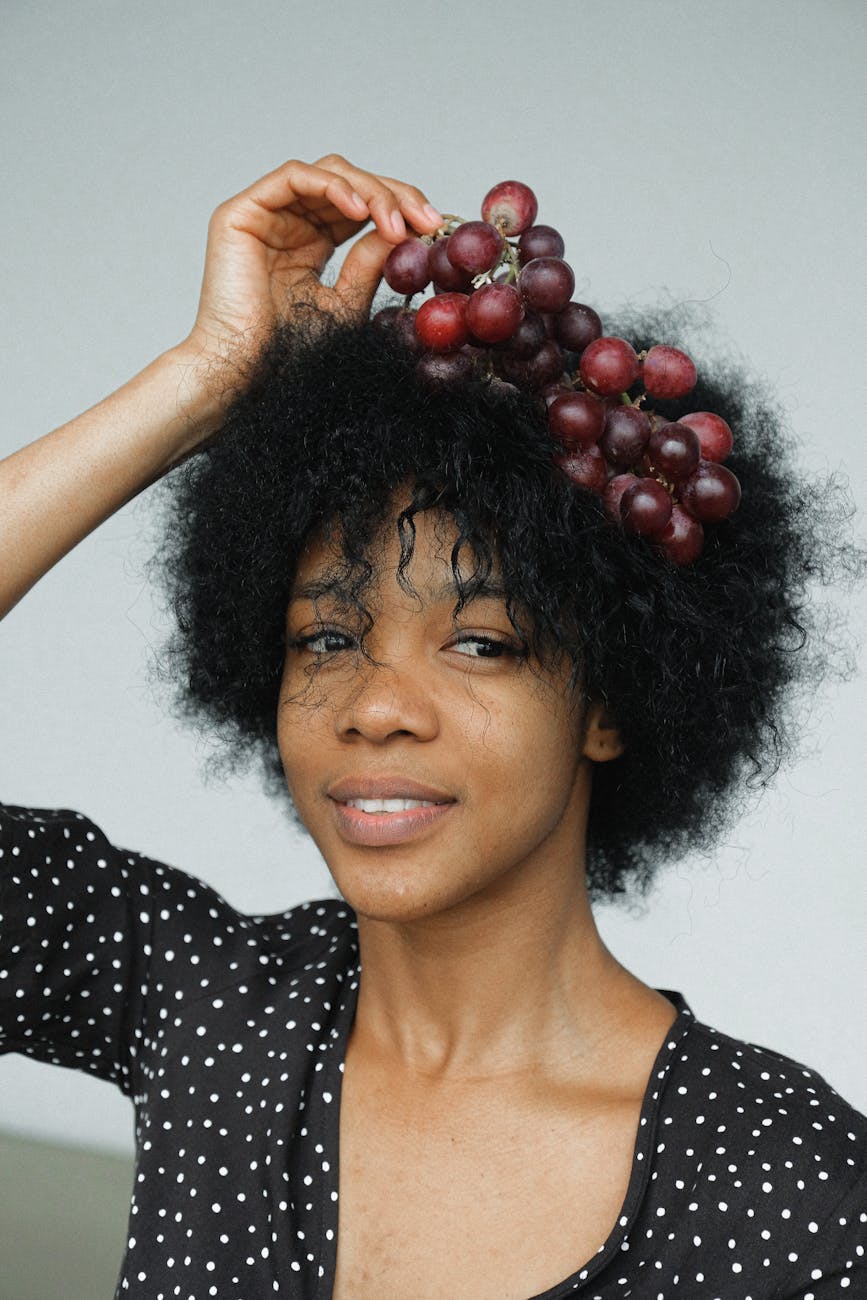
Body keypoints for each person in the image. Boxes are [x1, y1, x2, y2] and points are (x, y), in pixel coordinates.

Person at [0, 154, 864, 1300]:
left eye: (480, 642)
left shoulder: (790, 1189)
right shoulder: (209, 1016)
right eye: (325, 637)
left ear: (607, 700)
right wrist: (205, 385)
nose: (376, 707)